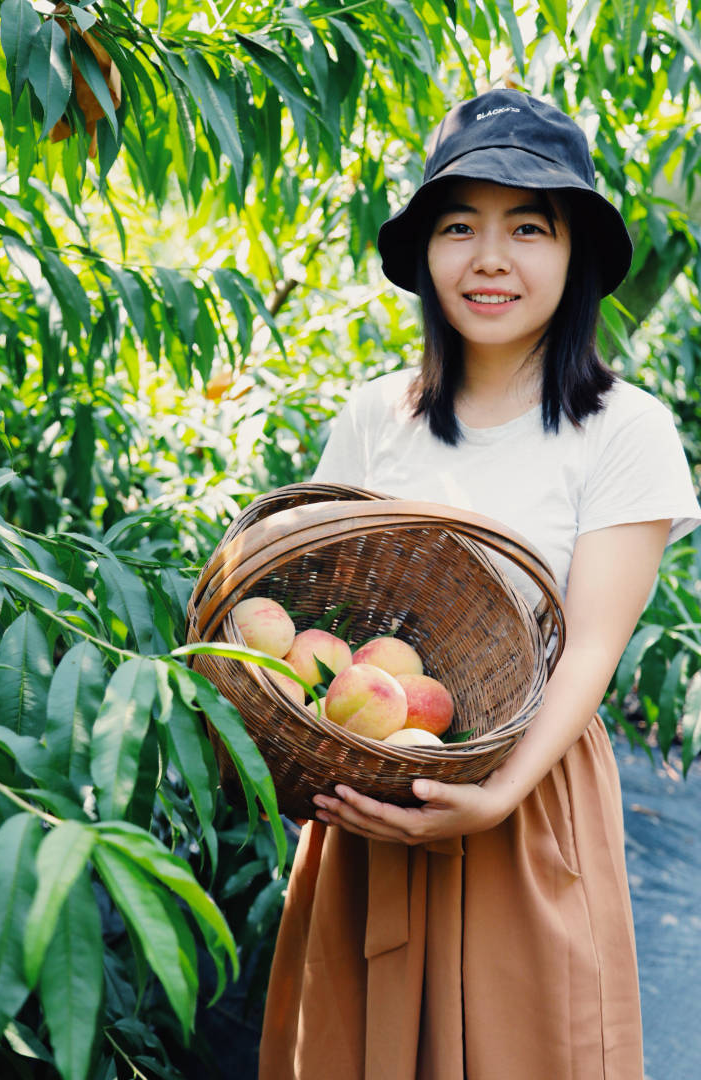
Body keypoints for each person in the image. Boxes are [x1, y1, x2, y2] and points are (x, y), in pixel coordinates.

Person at [258, 88, 701, 1080]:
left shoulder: (623, 430)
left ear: (575, 252)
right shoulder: (377, 418)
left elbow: (592, 643)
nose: (489, 258)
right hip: (376, 787)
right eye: (460, 226)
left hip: (527, 796)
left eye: (527, 228)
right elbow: (318, 610)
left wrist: (498, 796)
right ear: (426, 254)